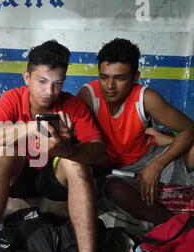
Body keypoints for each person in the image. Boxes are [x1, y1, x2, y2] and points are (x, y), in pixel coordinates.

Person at [0, 40, 108, 252]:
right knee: (5, 150)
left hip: (53, 178)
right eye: (42, 81)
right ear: (27, 76)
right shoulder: (12, 98)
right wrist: (32, 126)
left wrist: (66, 148)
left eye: (58, 83)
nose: (50, 91)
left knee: (77, 163)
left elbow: (100, 152)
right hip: (20, 176)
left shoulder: (73, 106)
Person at [77, 38, 194, 226]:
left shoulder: (145, 97)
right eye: (104, 77)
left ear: (135, 77)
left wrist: (156, 166)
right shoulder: (88, 96)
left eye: (120, 78)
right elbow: (81, 144)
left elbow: (188, 129)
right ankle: (180, 228)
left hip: (147, 159)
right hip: (113, 171)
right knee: (115, 190)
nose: (110, 86)